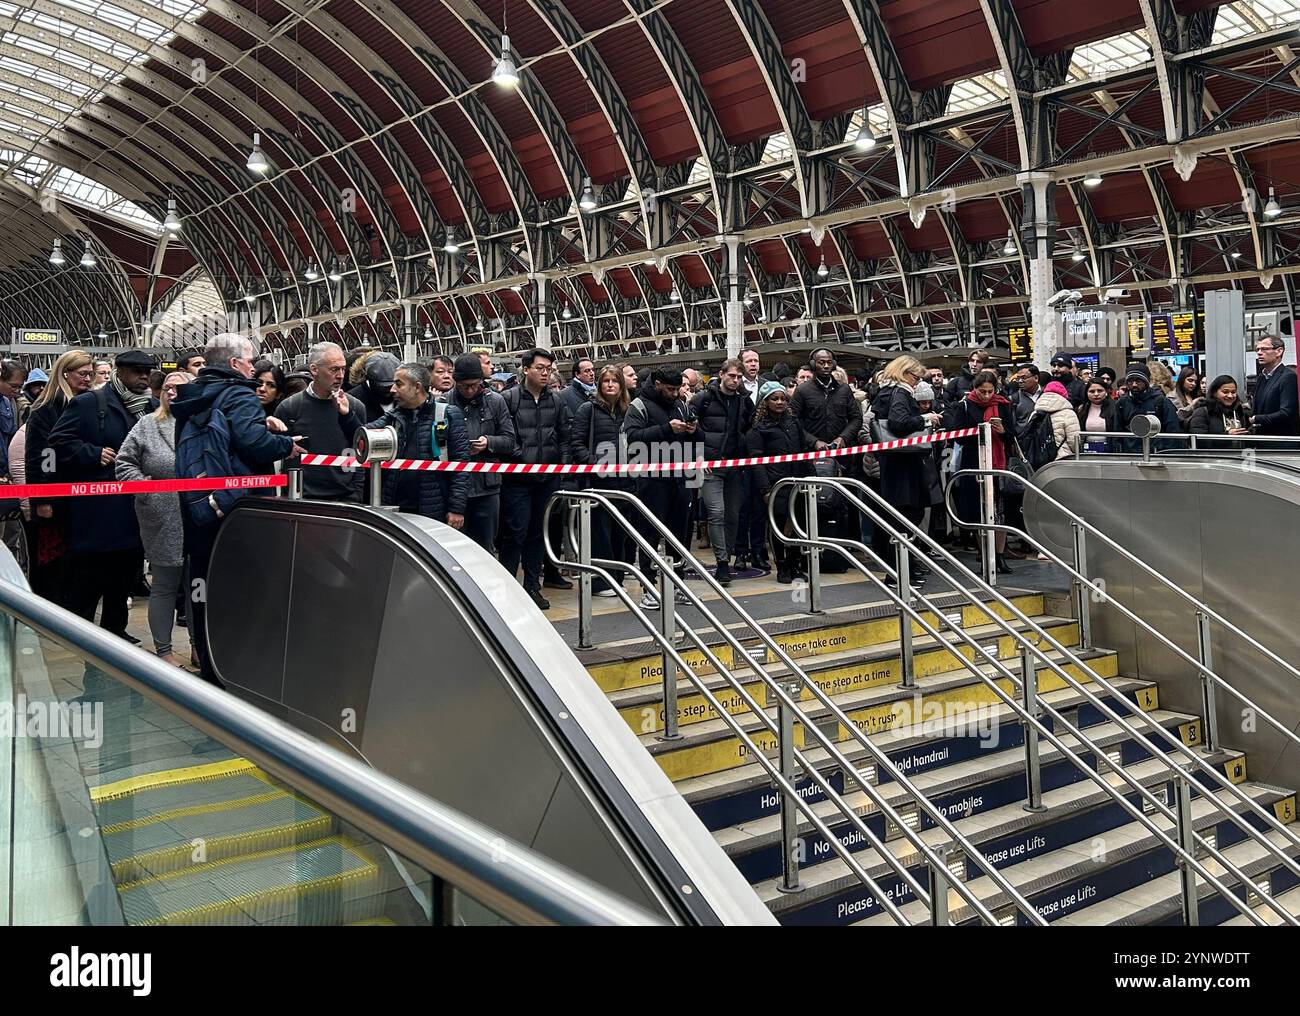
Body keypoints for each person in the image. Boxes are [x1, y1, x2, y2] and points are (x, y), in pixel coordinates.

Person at [171, 334, 299, 684]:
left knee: (204, 587)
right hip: (237, 508)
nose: (254, 368)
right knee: (242, 588)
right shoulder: (239, 393)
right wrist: (284, 444)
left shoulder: (193, 395)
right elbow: (252, 443)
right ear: (233, 364)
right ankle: (241, 668)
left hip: (200, 506)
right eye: (250, 360)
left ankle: (210, 662)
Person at [47, 349, 156, 642]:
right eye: (136, 371)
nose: (143, 377)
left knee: (124, 574)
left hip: (135, 508)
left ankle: (116, 631)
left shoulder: (151, 407)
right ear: (119, 372)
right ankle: (81, 633)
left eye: (147, 372)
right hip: (98, 510)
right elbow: (57, 442)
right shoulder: (90, 403)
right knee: (90, 577)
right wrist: (92, 453)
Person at [115, 372, 190, 666]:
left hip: (197, 513)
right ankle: (164, 651)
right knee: (165, 585)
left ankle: (199, 646)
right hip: (161, 515)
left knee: (197, 586)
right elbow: (124, 463)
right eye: (167, 388)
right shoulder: (146, 425)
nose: (171, 393)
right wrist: (147, 490)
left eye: (179, 388)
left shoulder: (202, 421)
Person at [500, 348, 571, 610]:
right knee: (514, 533)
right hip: (517, 479)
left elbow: (565, 436)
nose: (545, 373)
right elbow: (507, 437)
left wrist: (561, 468)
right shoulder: (509, 399)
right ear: (526, 368)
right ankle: (507, 586)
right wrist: (525, 462)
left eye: (549, 369)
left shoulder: (557, 401)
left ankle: (532, 586)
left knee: (537, 534)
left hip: (547, 479)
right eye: (540, 367)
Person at [24, 351, 94, 604]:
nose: (88, 378)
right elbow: (39, 457)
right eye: (82, 374)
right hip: (56, 497)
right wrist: (43, 498)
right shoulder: (46, 409)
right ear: (65, 374)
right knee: (54, 559)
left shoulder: (90, 403)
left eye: (90, 374)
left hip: (83, 496)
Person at [623, 365, 697, 607]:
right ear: (657, 385)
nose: (675, 393)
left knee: (680, 534)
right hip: (651, 479)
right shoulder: (639, 406)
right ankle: (648, 586)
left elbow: (697, 439)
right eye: (670, 389)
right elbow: (633, 438)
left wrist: (694, 431)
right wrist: (667, 429)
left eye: (678, 389)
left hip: (680, 476)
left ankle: (678, 583)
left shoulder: (681, 404)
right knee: (649, 534)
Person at [364, 362, 469, 524]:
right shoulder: (393, 417)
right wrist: (346, 415)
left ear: (417, 387)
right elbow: (362, 437)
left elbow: (460, 465)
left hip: (432, 508)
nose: (392, 389)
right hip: (394, 507)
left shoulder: (447, 415)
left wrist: (456, 508)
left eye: (398, 384)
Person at [871, 356, 942, 587]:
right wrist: (924, 419)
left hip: (894, 462)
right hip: (904, 463)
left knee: (900, 516)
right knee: (907, 516)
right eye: (915, 377)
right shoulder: (900, 393)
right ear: (904, 373)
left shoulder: (885, 392)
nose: (916, 382)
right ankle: (900, 571)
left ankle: (903, 569)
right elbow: (898, 423)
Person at [944, 368, 1017, 574]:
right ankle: (986, 556)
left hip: (997, 464)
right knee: (978, 512)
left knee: (998, 512)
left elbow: (1012, 435)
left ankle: (1000, 555)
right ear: (974, 388)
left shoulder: (1002, 405)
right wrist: (980, 430)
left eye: (990, 391)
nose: (987, 395)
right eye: (983, 391)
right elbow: (956, 435)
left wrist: (1002, 431)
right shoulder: (965, 406)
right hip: (973, 463)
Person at [571, 364, 635, 596]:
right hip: (597, 482)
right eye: (606, 381)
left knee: (620, 534)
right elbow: (576, 443)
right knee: (599, 534)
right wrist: (594, 462)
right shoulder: (587, 410)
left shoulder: (628, 411)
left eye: (615, 381)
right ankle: (600, 582)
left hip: (624, 481)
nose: (610, 385)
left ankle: (616, 579)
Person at [275, 341, 367, 502]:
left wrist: (356, 495)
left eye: (343, 369)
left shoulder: (355, 407)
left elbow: (361, 452)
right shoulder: (290, 408)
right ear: (314, 370)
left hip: (345, 499)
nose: (340, 375)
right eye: (334, 369)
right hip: (302, 500)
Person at [690, 358, 754, 586]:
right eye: (732, 376)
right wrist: (698, 456)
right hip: (711, 465)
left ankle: (726, 555)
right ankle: (722, 562)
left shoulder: (745, 401)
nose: (735, 381)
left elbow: (748, 428)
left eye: (739, 377)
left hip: (734, 466)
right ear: (722, 375)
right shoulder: (703, 399)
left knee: (733, 515)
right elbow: (690, 428)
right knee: (716, 512)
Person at [447, 353, 516, 553]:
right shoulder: (443, 403)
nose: (469, 390)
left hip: (487, 489)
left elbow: (510, 441)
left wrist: (489, 442)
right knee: (453, 550)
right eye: (464, 385)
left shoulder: (495, 402)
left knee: (485, 549)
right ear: (456, 381)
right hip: (453, 486)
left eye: (474, 385)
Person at [747, 381, 813, 583]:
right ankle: (782, 565)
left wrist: (810, 476)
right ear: (765, 402)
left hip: (798, 481)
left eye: (783, 398)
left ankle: (795, 564)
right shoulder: (758, 430)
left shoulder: (794, 423)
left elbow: (803, 451)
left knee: (797, 524)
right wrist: (765, 489)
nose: (780, 402)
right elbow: (757, 462)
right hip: (776, 484)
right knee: (778, 526)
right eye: (774, 399)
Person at [1114, 362, 1182, 452]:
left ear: (1146, 381)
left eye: (1138, 381)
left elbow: (1172, 430)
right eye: (1130, 381)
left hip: (1157, 453)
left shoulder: (1160, 401)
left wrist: (1168, 453)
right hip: (1130, 453)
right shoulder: (1121, 403)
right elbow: (1117, 431)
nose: (1134, 384)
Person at [1250, 335, 1299, 438]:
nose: (1259, 353)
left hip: (1281, 440)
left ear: (1279, 351)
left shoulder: (1287, 376)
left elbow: (1287, 413)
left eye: (1264, 349)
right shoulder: (1261, 377)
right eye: (1257, 349)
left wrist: (1256, 418)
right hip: (1261, 438)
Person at [1188, 375, 1252, 449]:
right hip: (1212, 458)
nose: (1230, 396)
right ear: (1214, 392)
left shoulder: (1240, 411)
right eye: (1225, 392)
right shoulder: (1202, 412)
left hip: (1239, 457)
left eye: (1233, 392)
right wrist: (1226, 437)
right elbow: (1198, 441)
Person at [1024, 380, 1080, 464]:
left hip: (1038, 458)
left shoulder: (1035, 412)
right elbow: (1074, 442)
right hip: (1062, 459)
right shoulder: (1068, 413)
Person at [347, 350, 399, 423]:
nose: (389, 389)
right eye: (382, 386)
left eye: (392, 384)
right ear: (368, 378)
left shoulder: (407, 399)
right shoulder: (352, 401)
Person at [1077, 379, 1118, 453]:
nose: (1096, 394)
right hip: (1086, 450)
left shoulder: (1115, 408)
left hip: (1109, 450)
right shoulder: (1081, 410)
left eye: (1100, 391)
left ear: (1106, 392)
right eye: (1092, 391)